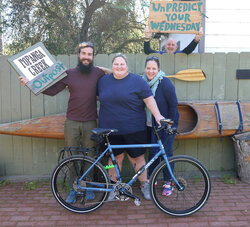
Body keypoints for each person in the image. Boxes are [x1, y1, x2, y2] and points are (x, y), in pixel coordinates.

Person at [19, 41, 105, 203]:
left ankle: (87, 187)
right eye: (84, 53)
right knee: (70, 155)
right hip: (71, 122)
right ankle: (74, 187)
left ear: (93, 57)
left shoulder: (98, 73)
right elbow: (52, 90)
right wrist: (29, 85)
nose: (86, 57)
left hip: (91, 122)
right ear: (79, 55)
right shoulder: (69, 73)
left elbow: (111, 84)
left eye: (89, 54)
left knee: (90, 155)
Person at [97, 53, 164, 200]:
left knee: (138, 159)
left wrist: (158, 116)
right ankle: (113, 186)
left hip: (134, 129)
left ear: (127, 66)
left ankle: (144, 185)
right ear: (112, 66)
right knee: (112, 161)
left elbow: (149, 100)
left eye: (122, 64)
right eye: (116, 64)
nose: (119, 67)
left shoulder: (138, 81)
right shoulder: (102, 82)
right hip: (110, 131)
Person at [142, 56, 179, 196]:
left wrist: (170, 125)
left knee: (166, 154)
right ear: (145, 69)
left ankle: (168, 182)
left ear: (158, 69)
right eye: (148, 68)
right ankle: (152, 178)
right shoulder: (142, 82)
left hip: (165, 126)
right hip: (149, 125)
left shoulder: (165, 83)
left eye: (154, 69)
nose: (150, 71)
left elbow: (173, 105)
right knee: (153, 153)